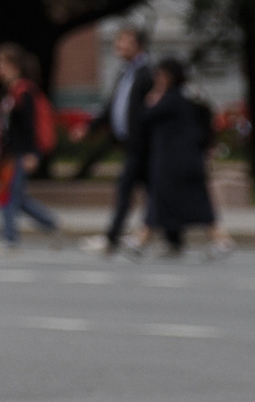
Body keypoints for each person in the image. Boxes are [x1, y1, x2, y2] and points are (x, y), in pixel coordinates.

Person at [140, 60, 221, 258]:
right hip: (189, 159)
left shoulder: (170, 99)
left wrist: (152, 98)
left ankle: (140, 241)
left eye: (159, 75)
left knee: (168, 200)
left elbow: (146, 117)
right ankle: (147, 240)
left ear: (168, 77)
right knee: (187, 202)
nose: (156, 79)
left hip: (174, 161)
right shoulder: (188, 97)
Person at [0, 44, 62, 249]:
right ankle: (51, 223)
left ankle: (10, 239)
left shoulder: (24, 92)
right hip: (11, 153)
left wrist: (33, 153)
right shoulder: (9, 93)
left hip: (22, 153)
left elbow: (30, 126)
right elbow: (12, 126)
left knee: (8, 196)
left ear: (15, 66)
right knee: (15, 196)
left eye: (0, 63)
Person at [91, 26, 153, 253]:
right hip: (129, 143)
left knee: (126, 187)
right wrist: (90, 127)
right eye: (118, 41)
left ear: (139, 46)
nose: (119, 45)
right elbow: (113, 106)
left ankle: (112, 237)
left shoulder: (147, 74)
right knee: (155, 190)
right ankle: (173, 237)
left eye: (125, 41)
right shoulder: (124, 72)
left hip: (143, 144)